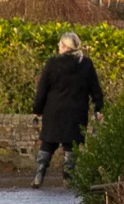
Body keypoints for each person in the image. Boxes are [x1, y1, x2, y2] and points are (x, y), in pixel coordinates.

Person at [32, 30, 105, 186]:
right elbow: (95, 88)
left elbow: (42, 89)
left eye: (60, 43)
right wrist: (98, 107)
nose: (58, 46)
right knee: (71, 145)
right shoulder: (86, 64)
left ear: (65, 46)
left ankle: (39, 176)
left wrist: (37, 110)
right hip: (76, 111)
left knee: (48, 143)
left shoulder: (53, 63)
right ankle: (68, 179)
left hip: (54, 110)